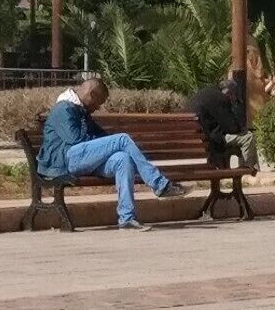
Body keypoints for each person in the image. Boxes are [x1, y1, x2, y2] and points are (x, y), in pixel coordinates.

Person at [36, 75, 188, 229]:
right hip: (64, 162)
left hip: (81, 159)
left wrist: (106, 144)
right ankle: (160, 185)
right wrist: (107, 143)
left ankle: (127, 218)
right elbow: (75, 139)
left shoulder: (81, 110)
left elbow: (100, 136)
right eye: (98, 102)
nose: (97, 107)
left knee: (123, 159)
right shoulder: (64, 108)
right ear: (92, 94)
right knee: (122, 139)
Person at [187, 73, 251, 166]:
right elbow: (232, 128)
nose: (234, 97)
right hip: (210, 140)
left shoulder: (203, 95)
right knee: (248, 138)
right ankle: (249, 170)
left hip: (192, 139)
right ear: (229, 92)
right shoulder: (221, 99)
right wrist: (241, 127)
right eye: (234, 94)